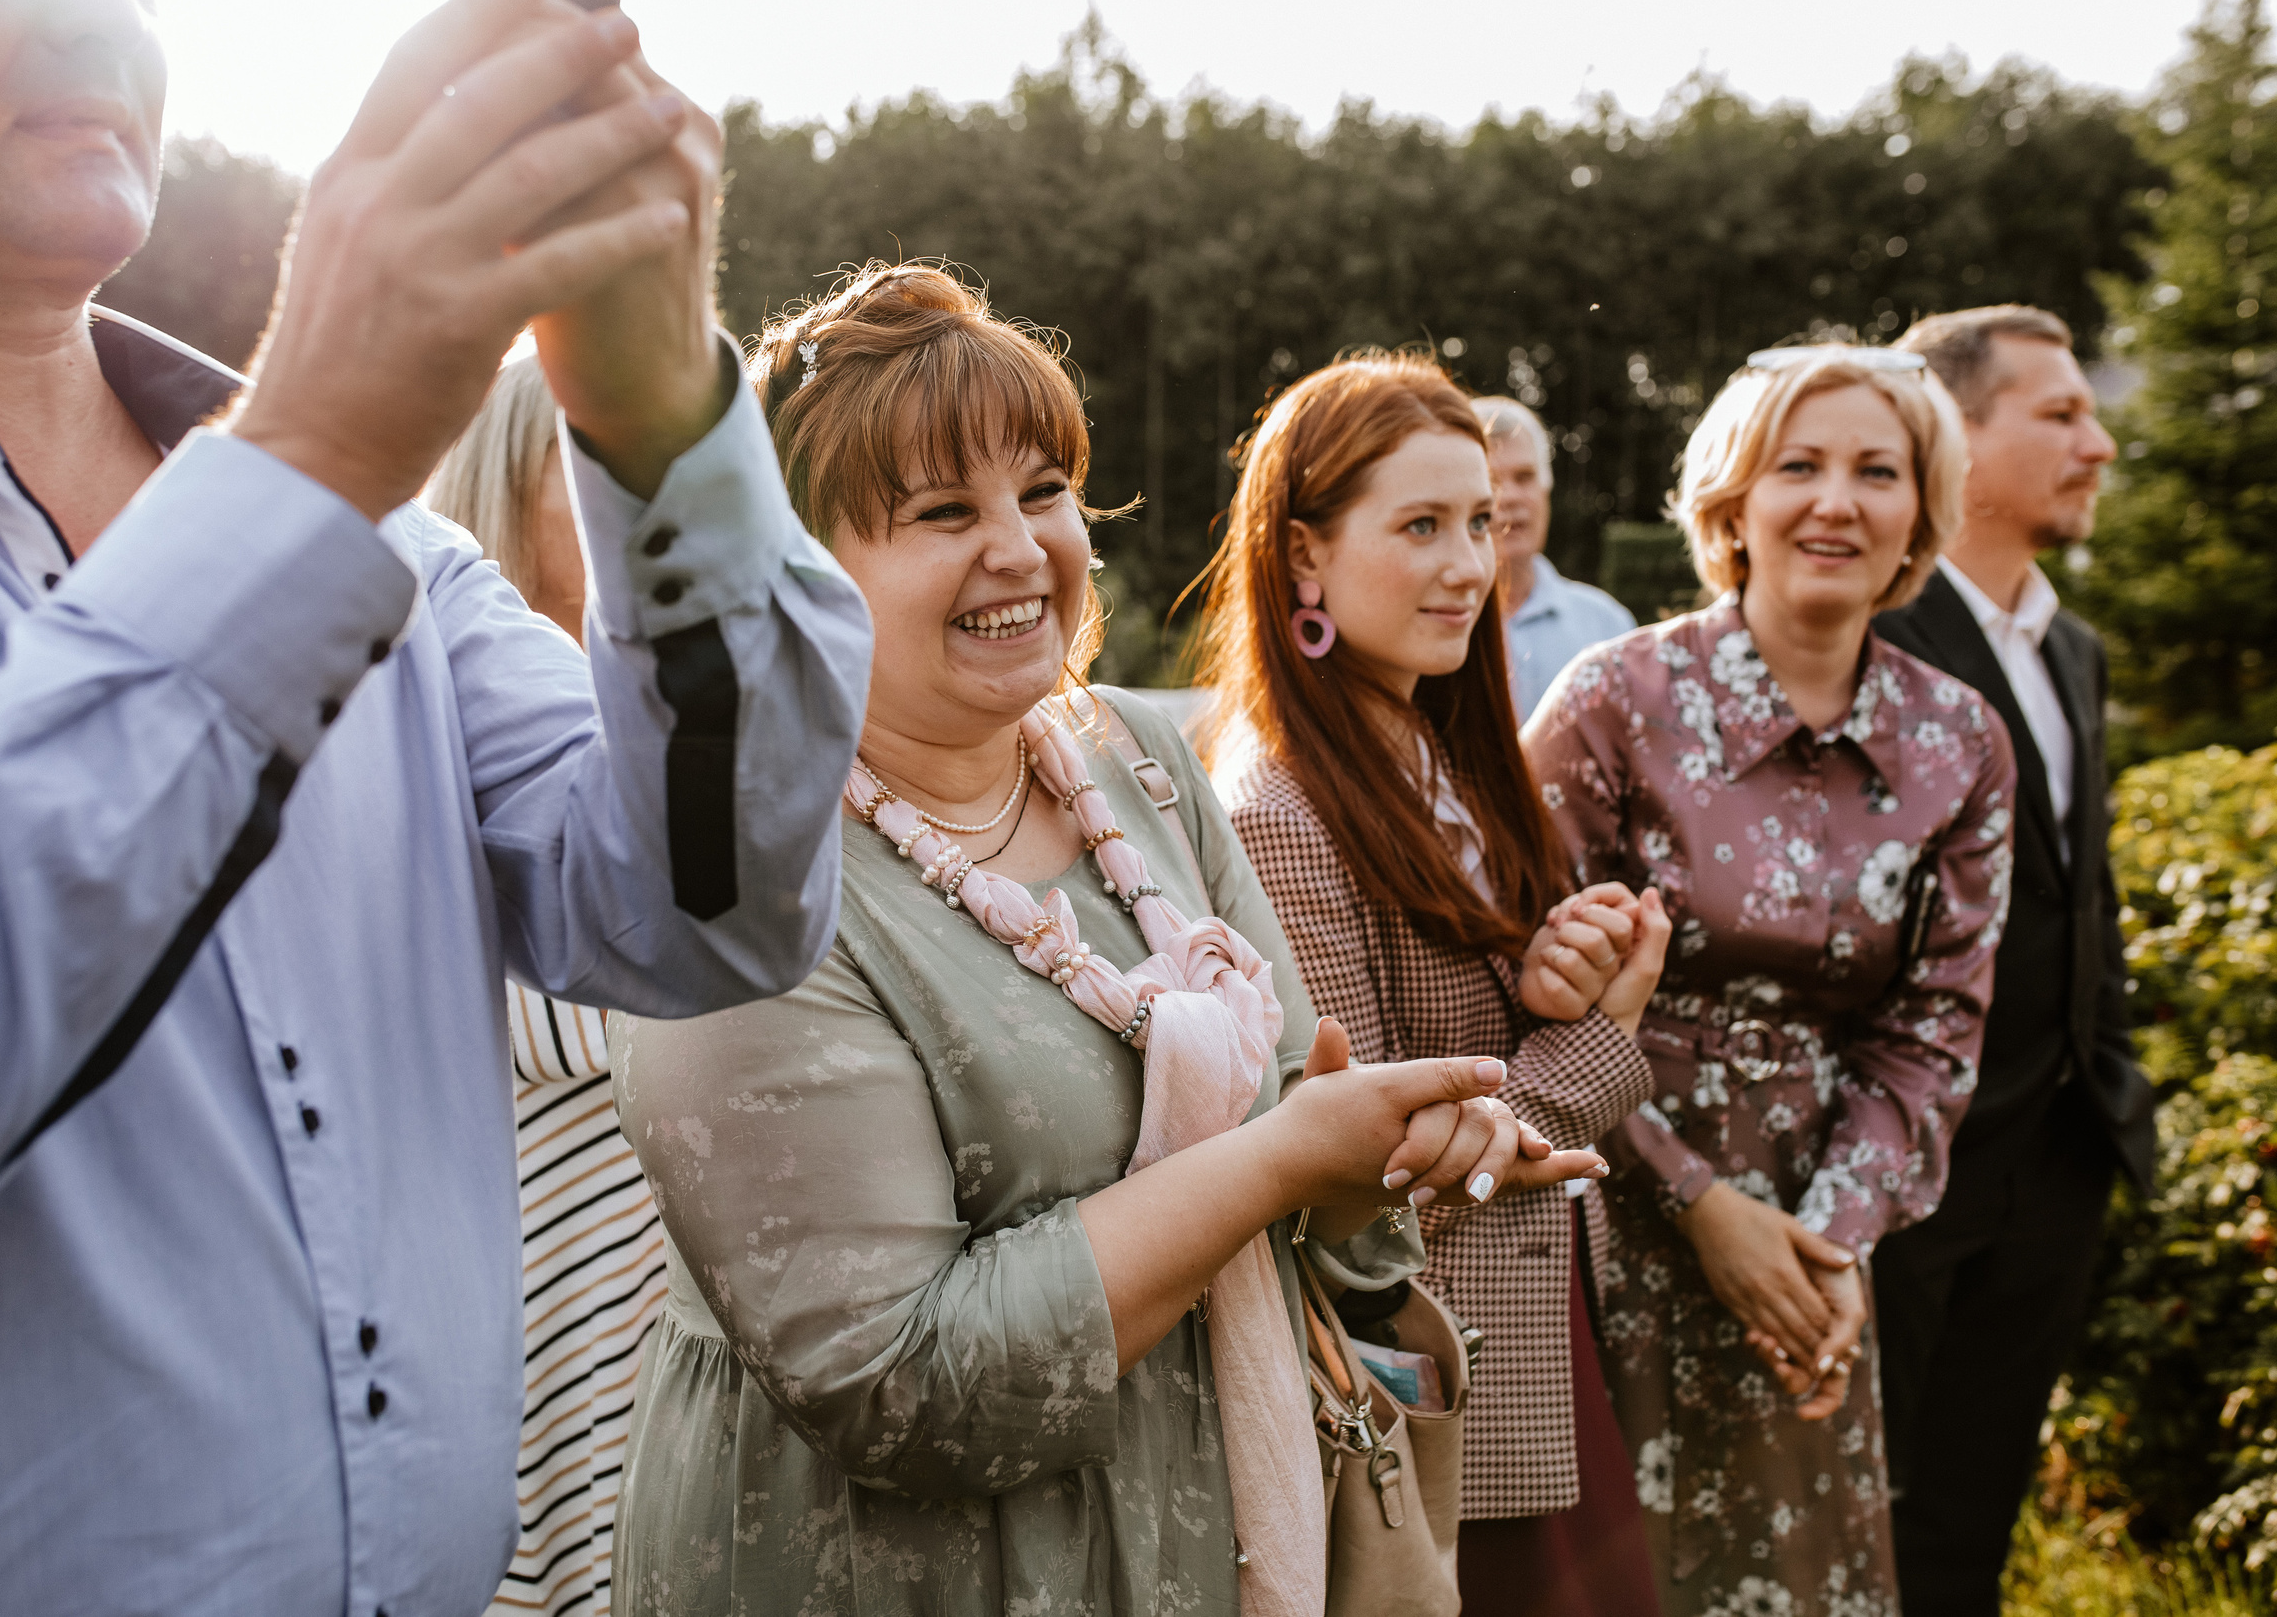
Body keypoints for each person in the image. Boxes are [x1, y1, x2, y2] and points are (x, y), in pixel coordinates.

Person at [0, 0, 869, 1615]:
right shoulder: (322, 497)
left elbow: (706, 910)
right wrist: (319, 443)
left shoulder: (393, 545)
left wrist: (657, 419)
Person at [609, 264, 1605, 1616]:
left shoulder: (1130, 759)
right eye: (943, 511)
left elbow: (1316, 1163)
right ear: (793, 570)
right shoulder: (741, 869)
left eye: (1044, 490)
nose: (1020, 547)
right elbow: (901, 1381)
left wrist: (1373, 1163)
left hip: (1204, 1531)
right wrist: (1282, 1158)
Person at [1520, 344, 2019, 1617]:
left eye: (1877, 471)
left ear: (1921, 512)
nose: (1835, 501)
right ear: (1732, 500)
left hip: (1812, 1234)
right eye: (1798, 465)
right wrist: (1696, 1203)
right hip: (1601, 1203)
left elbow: (1934, 1026)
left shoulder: (1959, 739)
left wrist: (1833, 1242)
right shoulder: (1614, 700)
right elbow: (1514, 982)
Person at [1198, 351, 1671, 1617]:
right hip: (1424, 1386)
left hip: (1528, 1346)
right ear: (1302, 558)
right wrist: (1603, 1039)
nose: (1471, 565)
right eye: (1421, 526)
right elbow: (1370, 1177)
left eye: (1481, 522)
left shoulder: (1436, 753)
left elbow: (1452, 1020)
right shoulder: (1279, 809)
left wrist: (1555, 968)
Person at [1868, 306, 2158, 1616]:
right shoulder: (1870, 639)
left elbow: (2075, 894)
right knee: (1863, 1525)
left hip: (2052, 1161)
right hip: (1903, 1180)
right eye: (2061, 413)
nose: (2100, 441)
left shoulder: (2073, 646)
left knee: (1970, 1531)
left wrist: (2108, 1083)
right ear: (1956, 437)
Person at [426, 357, 669, 1617]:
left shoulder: (709, 760)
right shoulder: (462, 759)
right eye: (595, 469)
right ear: (503, 493)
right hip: (554, 1344)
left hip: (696, 1343)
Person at [1473, 396, 1635, 716]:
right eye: (1491, 480)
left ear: (1546, 488)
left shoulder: (1607, 626)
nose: (1511, 497)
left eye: (1524, 477)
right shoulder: (1429, 624)